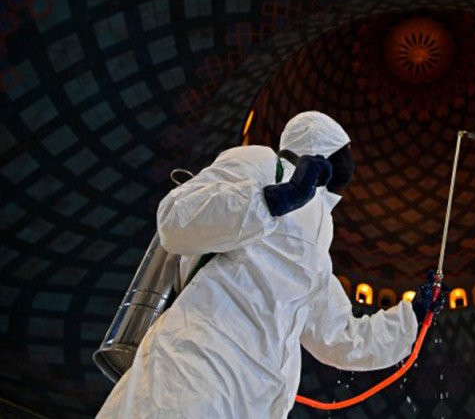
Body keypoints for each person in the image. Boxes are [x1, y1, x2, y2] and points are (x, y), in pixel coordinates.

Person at [96, 111, 445, 418]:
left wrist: (411, 314)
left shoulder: (319, 241)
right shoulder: (259, 162)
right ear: (319, 150)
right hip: (201, 357)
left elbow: (337, 336)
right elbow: (177, 221)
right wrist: (271, 201)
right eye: (343, 155)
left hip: (262, 394)